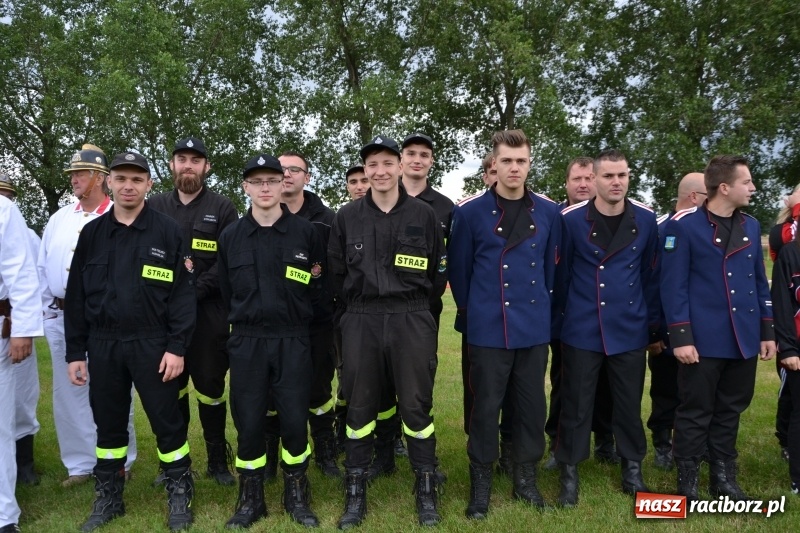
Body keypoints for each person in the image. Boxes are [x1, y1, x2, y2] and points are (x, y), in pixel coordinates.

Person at [65, 151, 196, 532]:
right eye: (121, 178)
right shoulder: (92, 234)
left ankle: (179, 490)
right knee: (108, 426)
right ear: (109, 182)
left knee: (167, 422)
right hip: (103, 344)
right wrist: (76, 351)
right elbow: (76, 297)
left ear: (149, 185)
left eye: (137, 179)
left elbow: (183, 297)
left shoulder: (168, 231)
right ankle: (109, 496)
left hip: (153, 344)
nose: (128, 186)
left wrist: (177, 347)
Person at [329, 135, 447, 528]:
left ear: (399, 166)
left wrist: (418, 320)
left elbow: (433, 277)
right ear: (365, 172)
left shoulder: (424, 215)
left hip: (410, 316)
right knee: (359, 406)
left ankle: (426, 486)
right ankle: (355, 489)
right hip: (361, 318)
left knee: (416, 406)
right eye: (371, 165)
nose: (378, 172)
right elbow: (336, 277)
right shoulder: (346, 217)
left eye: (385, 163)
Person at [449, 129, 561, 518]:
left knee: (531, 407)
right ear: (493, 164)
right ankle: (480, 483)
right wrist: (477, 312)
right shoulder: (468, 212)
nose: (514, 168)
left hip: (532, 325)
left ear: (530, 164)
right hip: (488, 326)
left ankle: (524, 478)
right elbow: (461, 275)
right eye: (507, 161)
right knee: (485, 408)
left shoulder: (549, 211)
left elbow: (550, 270)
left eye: (522, 161)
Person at [218, 154, 326, 528]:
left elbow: (316, 290)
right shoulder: (230, 236)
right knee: (248, 421)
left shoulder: (307, 234)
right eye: (256, 181)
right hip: (247, 341)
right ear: (245, 187)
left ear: (284, 184)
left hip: (293, 338)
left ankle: (297, 493)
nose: (264, 188)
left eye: (271, 180)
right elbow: (225, 291)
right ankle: (251, 498)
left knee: (295, 419)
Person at [662, 155, 775, 502]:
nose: (753, 188)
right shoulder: (683, 227)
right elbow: (672, 286)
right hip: (702, 340)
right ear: (724, 187)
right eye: (747, 182)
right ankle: (689, 482)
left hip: (742, 338)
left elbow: (759, 281)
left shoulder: (752, 226)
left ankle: (723, 478)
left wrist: (767, 331)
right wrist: (680, 336)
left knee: (730, 409)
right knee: (695, 411)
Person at [554, 149, 660, 507]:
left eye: (623, 175)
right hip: (582, 327)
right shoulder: (569, 220)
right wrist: (563, 321)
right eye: (609, 176)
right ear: (594, 179)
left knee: (628, 404)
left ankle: (632, 468)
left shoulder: (646, 219)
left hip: (628, 327)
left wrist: (652, 327)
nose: (617, 182)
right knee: (576, 404)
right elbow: (561, 274)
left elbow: (650, 275)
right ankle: (568, 472)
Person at [37, 144, 137, 487]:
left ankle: (121, 459)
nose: (74, 180)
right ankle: (79, 464)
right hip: (62, 317)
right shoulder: (60, 218)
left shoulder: (119, 216)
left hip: (107, 319)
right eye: (72, 175)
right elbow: (42, 267)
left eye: (80, 173)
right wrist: (47, 311)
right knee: (68, 392)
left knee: (113, 390)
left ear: (99, 178)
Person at [148, 137, 238, 486]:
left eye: (196, 160)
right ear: (172, 164)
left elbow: (225, 263)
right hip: (163, 319)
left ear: (206, 167)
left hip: (208, 314)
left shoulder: (223, 207)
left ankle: (217, 460)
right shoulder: (153, 206)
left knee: (211, 388)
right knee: (171, 388)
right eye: (182, 159)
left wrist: (189, 293)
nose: (188, 165)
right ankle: (175, 462)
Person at [365, 133, 454, 468]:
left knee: (418, 391)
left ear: (431, 161)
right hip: (375, 317)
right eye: (411, 153)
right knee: (382, 389)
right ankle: (387, 450)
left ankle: (422, 460)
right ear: (402, 160)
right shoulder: (373, 204)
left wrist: (421, 307)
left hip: (420, 314)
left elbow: (442, 266)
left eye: (424, 154)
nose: (417, 160)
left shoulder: (443, 208)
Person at [260, 150, 339, 480]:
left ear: (307, 177)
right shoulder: (261, 217)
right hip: (273, 325)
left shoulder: (327, 219)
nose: (288, 174)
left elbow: (334, 271)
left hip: (317, 323)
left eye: (296, 170)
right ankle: (270, 455)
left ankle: (324, 449)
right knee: (272, 391)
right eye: (282, 170)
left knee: (318, 390)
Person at [544, 157, 620, 470]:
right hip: (566, 319)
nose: (584, 185)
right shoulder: (555, 217)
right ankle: (557, 444)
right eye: (577, 179)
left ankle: (605, 439)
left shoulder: (614, 218)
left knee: (608, 383)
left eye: (589, 178)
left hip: (608, 318)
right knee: (565, 382)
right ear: (566, 183)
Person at [456, 153, 515, 477]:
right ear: (486, 175)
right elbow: (461, 270)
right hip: (482, 321)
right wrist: (469, 313)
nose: (500, 175)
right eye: (493, 170)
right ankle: (482, 458)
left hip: (521, 322)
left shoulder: (537, 210)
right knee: (482, 395)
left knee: (521, 399)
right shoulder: (469, 211)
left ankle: (511, 451)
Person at [647, 172, 707, 471]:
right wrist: (655, 331)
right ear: (694, 197)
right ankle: (662, 442)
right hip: (668, 332)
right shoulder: (660, 229)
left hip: (704, 330)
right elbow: (653, 283)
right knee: (666, 388)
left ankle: (700, 444)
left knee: (700, 391)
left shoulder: (709, 228)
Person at [0, 194, 43, 533]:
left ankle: (3, 515)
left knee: (1, 423)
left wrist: (23, 328)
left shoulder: (3, 209)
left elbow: (21, 269)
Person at [335, 164, 371, 453]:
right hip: (349, 314)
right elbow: (336, 270)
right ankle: (343, 429)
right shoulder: (342, 218)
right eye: (353, 182)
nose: (359, 186)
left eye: (363, 180)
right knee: (347, 377)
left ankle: (388, 438)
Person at [768, 184, 800, 463]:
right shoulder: (784, 230)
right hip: (792, 328)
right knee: (791, 390)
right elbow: (784, 240)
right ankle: (786, 439)